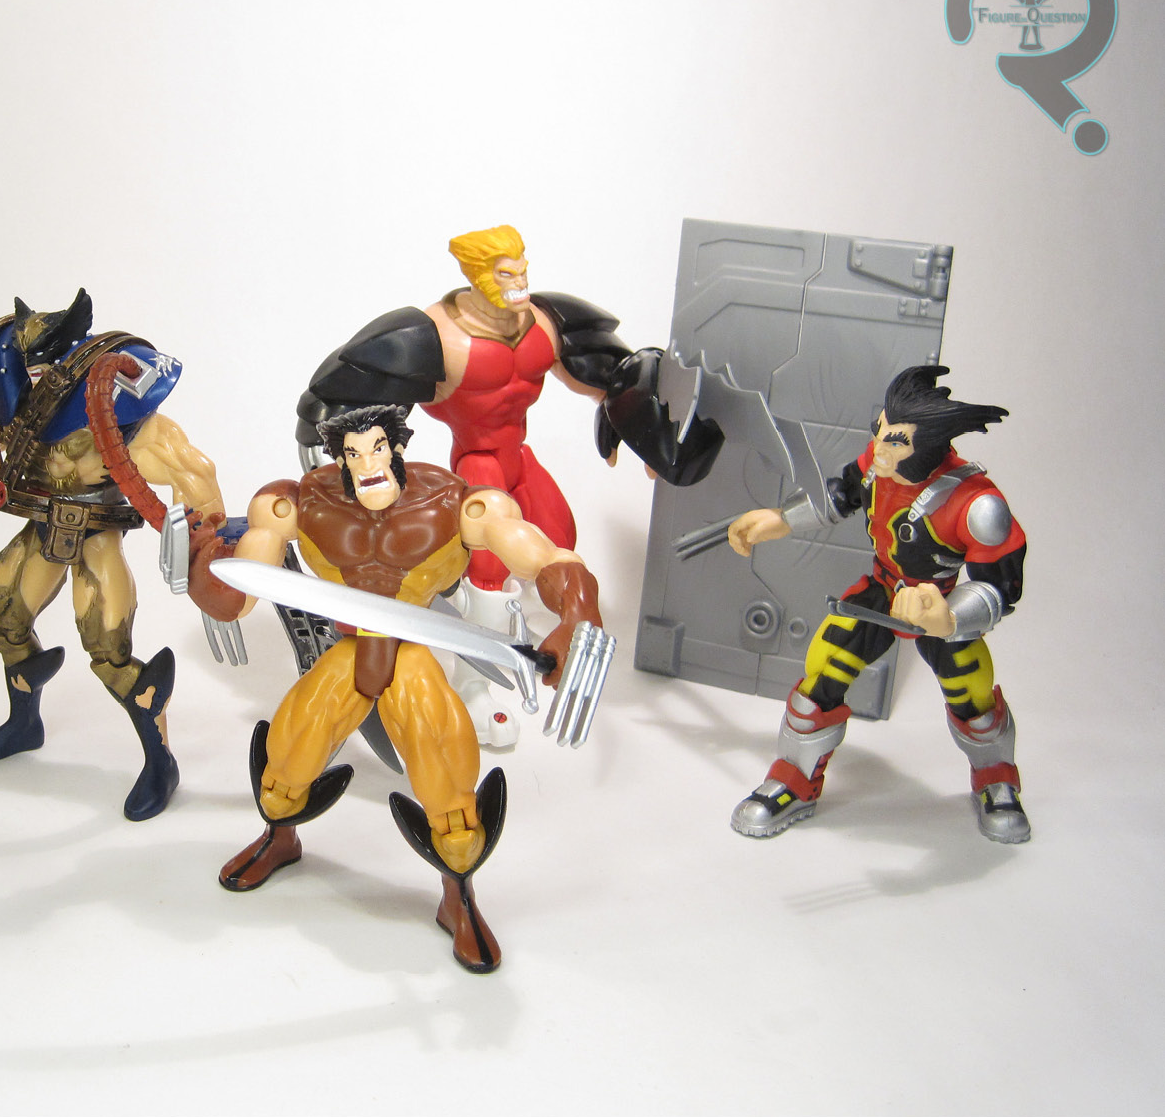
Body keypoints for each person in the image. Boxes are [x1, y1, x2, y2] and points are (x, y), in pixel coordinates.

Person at [189, 404, 604, 972]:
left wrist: (576, 613)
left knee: (449, 791)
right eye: (353, 454)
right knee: (286, 762)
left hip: (410, 652)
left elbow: (542, 555)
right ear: (338, 459)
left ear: (397, 447)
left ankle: (458, 898)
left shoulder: (453, 503)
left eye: (377, 448)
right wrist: (204, 568)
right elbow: (238, 596)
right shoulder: (300, 503)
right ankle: (280, 838)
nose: (367, 465)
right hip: (351, 649)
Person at [297, 225, 718, 746]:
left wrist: (648, 432)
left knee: (560, 538)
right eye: (504, 272)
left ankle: (547, 634)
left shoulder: (546, 323)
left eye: (522, 267)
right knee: (488, 572)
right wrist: (341, 490)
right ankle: (474, 686)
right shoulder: (437, 338)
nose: (519, 280)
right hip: (477, 463)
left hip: (519, 456)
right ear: (475, 273)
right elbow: (346, 407)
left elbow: (616, 375)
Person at [0, 291, 225, 820]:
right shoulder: (15, 407)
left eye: (46, 365)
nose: (38, 377)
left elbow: (192, 472)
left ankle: (161, 763)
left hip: (96, 536)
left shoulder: (113, 408)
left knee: (109, 650)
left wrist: (208, 546)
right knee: (6, 617)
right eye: (30, 366)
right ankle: (24, 722)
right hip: (43, 528)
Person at [725, 365, 1029, 843]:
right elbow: (842, 494)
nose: (881, 444)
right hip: (882, 592)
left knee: (974, 694)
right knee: (822, 672)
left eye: (897, 439)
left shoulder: (977, 504)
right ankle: (795, 781)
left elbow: (1001, 588)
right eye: (882, 428)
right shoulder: (878, 462)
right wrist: (781, 520)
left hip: (941, 601)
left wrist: (949, 616)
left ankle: (997, 779)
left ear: (927, 444)